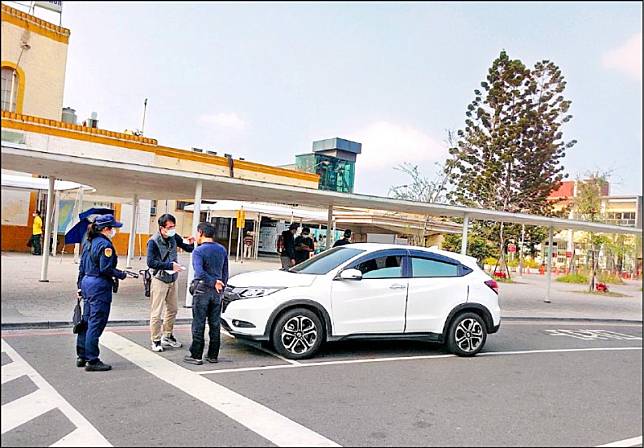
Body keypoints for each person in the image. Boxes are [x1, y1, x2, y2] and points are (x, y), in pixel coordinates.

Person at [76, 214, 128, 372]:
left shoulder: (88, 242)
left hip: (86, 283)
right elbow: (105, 268)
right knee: (96, 323)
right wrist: (121, 274)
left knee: (86, 321)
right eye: (112, 228)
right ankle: (92, 359)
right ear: (105, 229)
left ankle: (82, 355)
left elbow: (82, 267)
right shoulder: (105, 245)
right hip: (99, 286)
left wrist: (79, 286)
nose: (114, 231)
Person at [147, 214, 195, 352]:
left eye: (174, 226)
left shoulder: (174, 237)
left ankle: (167, 335)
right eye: (169, 227)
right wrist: (169, 266)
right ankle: (155, 340)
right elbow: (150, 262)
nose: (172, 229)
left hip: (173, 278)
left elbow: (187, 248)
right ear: (162, 228)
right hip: (159, 279)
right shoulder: (153, 241)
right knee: (156, 312)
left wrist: (192, 243)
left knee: (173, 309)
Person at [184, 222, 229, 365]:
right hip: (217, 292)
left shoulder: (198, 252)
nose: (196, 236)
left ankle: (196, 355)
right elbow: (225, 272)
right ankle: (213, 355)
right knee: (215, 324)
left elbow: (199, 272)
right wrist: (220, 285)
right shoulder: (221, 249)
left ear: (201, 233)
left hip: (203, 290)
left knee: (199, 323)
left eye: (197, 233)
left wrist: (212, 282)